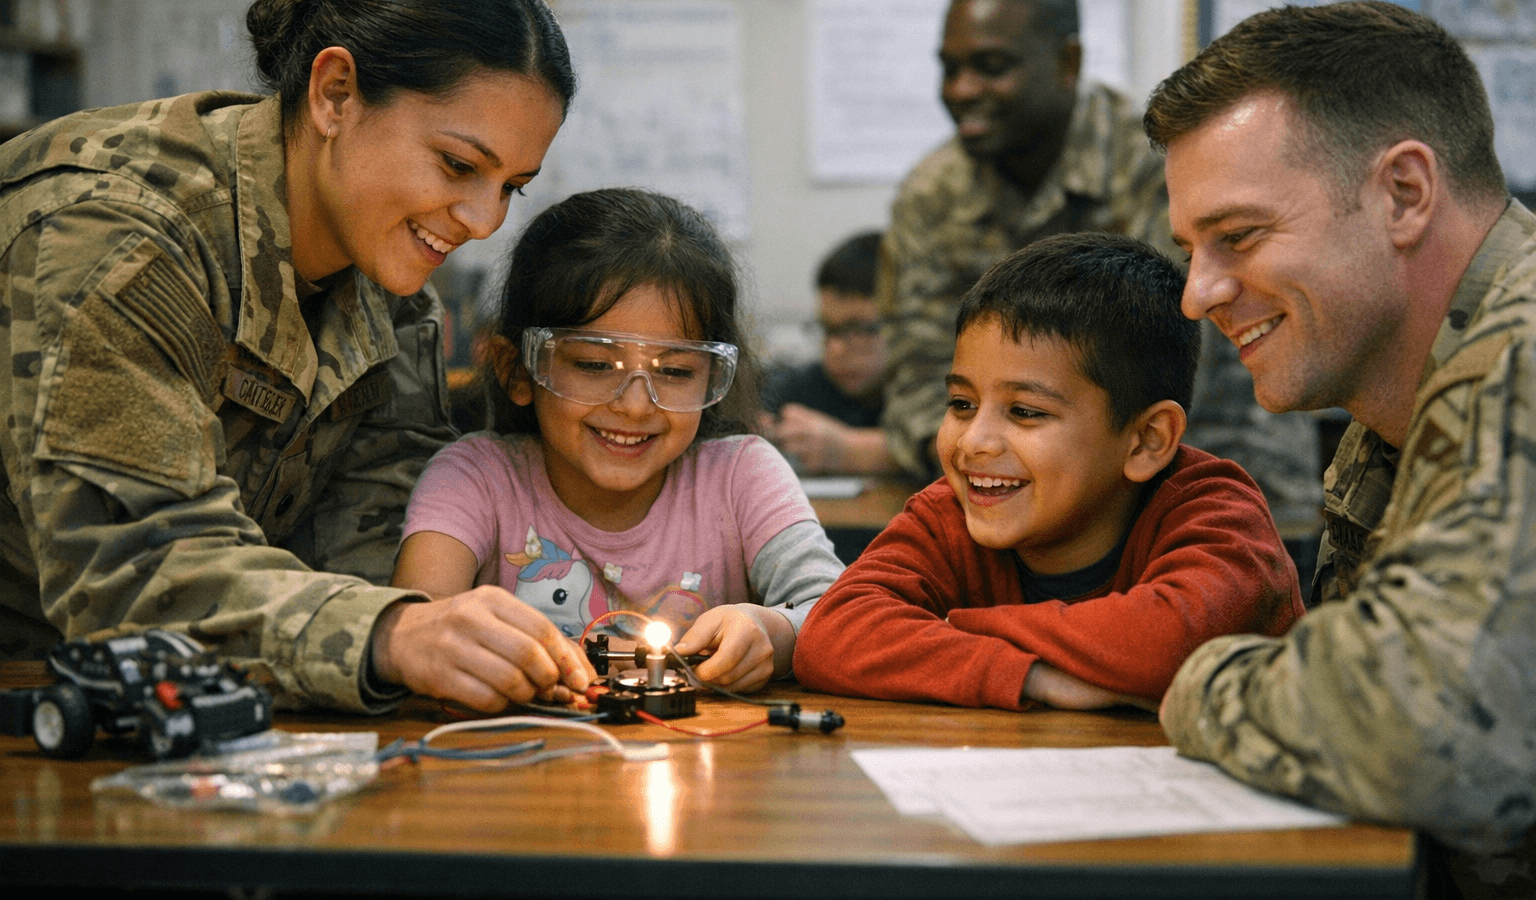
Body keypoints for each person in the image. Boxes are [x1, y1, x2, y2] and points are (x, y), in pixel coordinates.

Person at [0, 0, 592, 716]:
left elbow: (373, 546)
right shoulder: (115, 232)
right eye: (457, 165)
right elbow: (131, 568)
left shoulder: (391, 286)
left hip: (193, 707)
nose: (483, 221)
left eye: (511, 186)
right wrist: (392, 638)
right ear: (336, 94)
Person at [1146, 0, 1536, 897]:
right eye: (1191, 248)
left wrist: (1201, 674)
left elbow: (1415, 733)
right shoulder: (1392, 403)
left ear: (1403, 193)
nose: (1196, 295)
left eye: (1237, 237)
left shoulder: (1518, 360)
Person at [879, 0, 1322, 528]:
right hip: (1036, 509)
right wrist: (1002, 469)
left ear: (1068, 62)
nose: (962, 90)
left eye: (991, 66)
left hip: (1224, 483)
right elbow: (917, 385)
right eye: (949, 68)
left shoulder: (1158, 164)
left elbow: (1184, 369)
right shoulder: (931, 196)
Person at [794, 232, 1303, 710]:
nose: (974, 442)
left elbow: (1162, 641)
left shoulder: (1213, 508)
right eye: (961, 403)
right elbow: (831, 632)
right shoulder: (953, 513)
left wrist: (947, 628)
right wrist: (1032, 676)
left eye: (1026, 412)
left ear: (1148, 440)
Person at [392, 188, 845, 697]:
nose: (634, 406)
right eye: (593, 365)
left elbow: (840, 617)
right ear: (518, 369)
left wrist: (776, 633)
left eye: (674, 371)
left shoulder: (743, 475)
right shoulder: (473, 478)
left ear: (713, 377)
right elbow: (419, 624)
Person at [761, 230, 897, 475]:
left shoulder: (936, 392)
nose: (835, 348)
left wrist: (850, 450)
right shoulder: (799, 391)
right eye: (827, 329)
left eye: (859, 329)